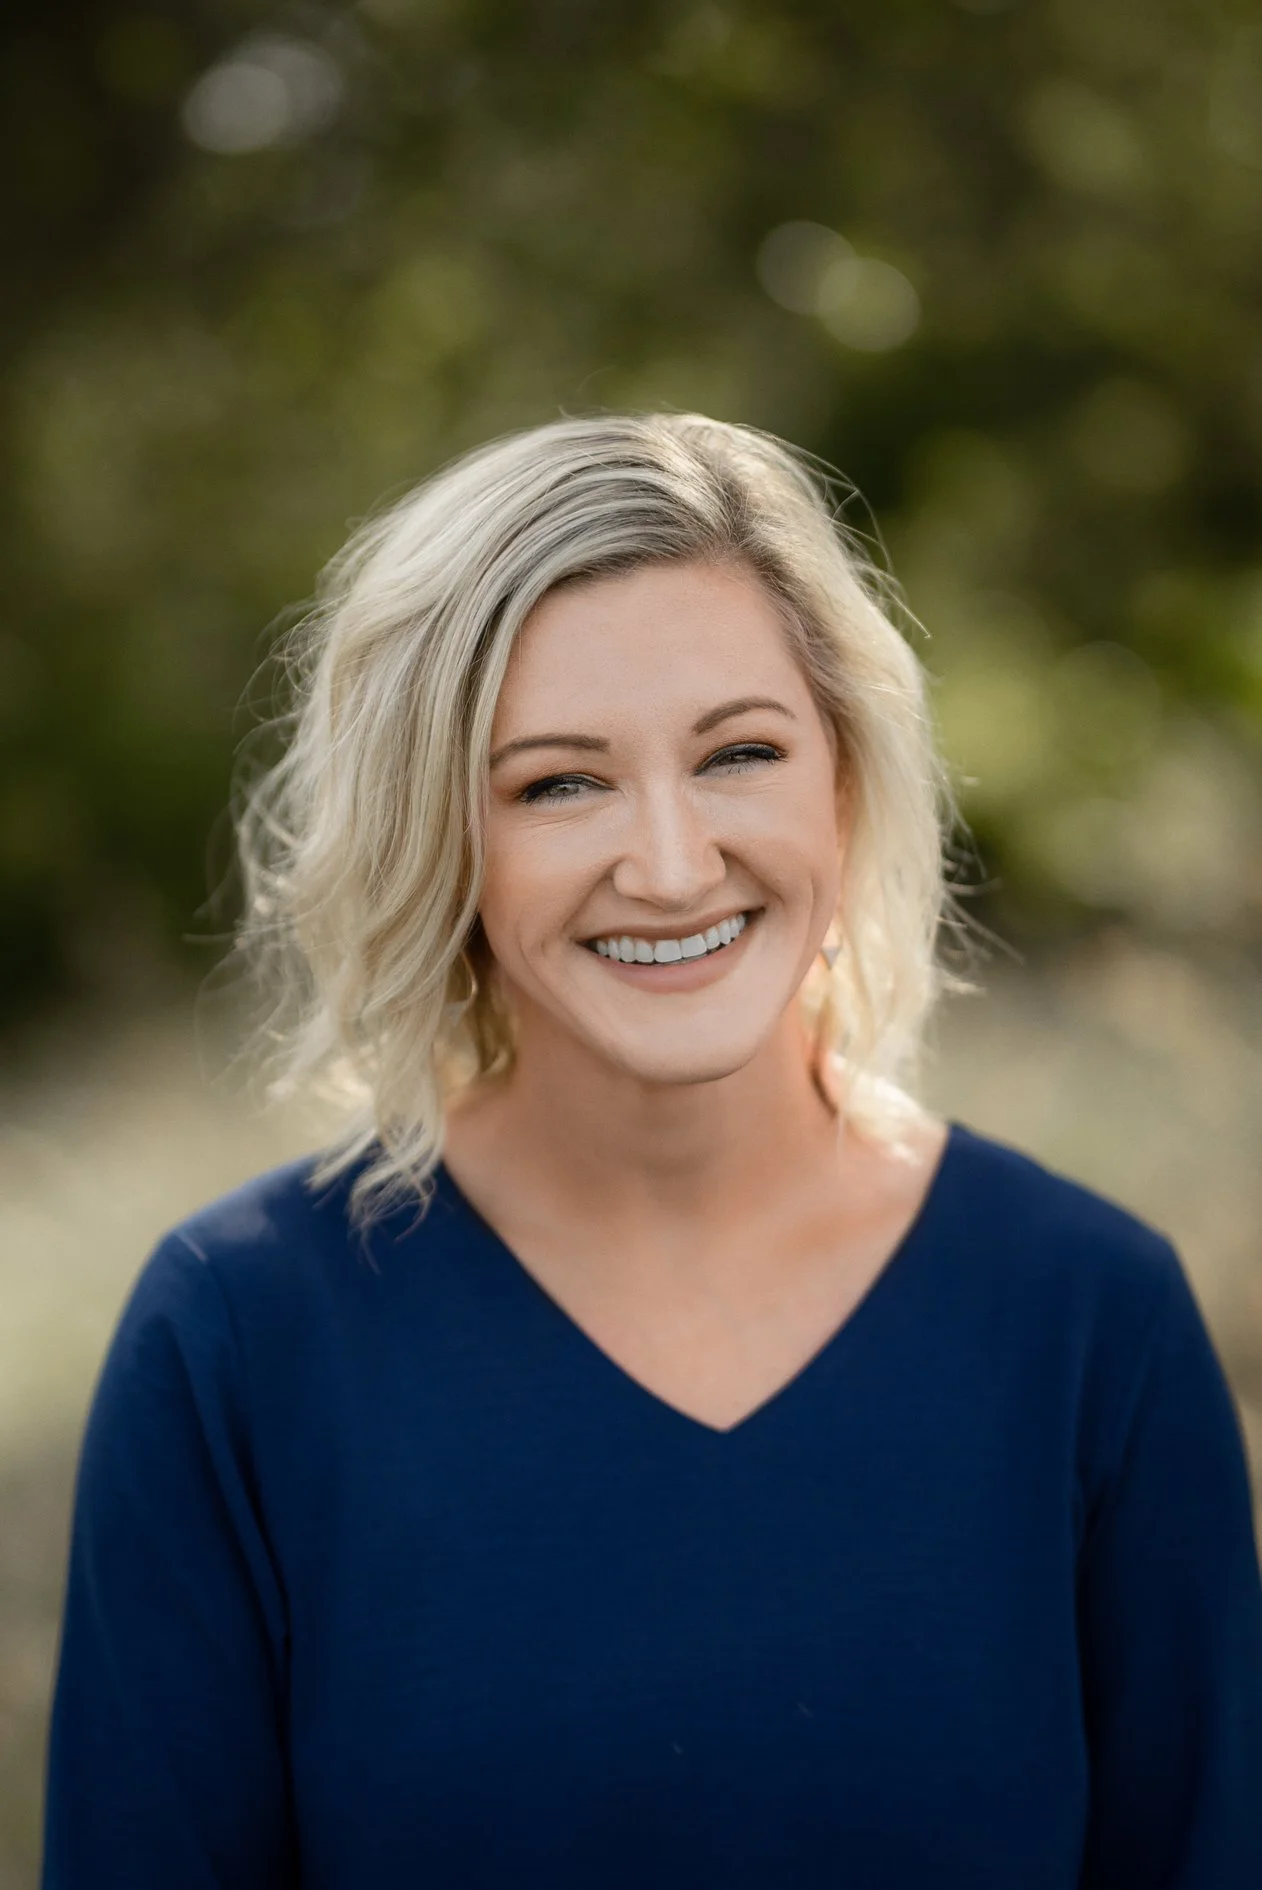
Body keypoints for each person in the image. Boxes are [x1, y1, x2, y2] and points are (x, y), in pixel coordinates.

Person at [41, 414, 1262, 1888]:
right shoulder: (235, 1339)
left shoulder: (1087, 1320)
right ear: (440, 840)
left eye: (738, 752)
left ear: (846, 777)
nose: (673, 864)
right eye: (558, 781)